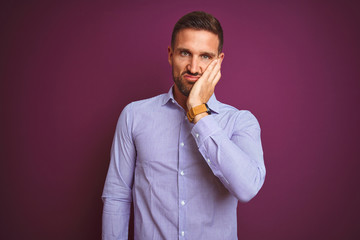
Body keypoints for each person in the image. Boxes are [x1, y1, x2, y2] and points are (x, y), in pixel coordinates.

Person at [102, 11, 266, 240]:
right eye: (185, 53)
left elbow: (247, 188)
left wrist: (199, 111)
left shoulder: (240, 121)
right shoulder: (133, 115)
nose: (194, 67)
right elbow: (117, 196)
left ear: (218, 62)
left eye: (206, 57)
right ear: (170, 55)